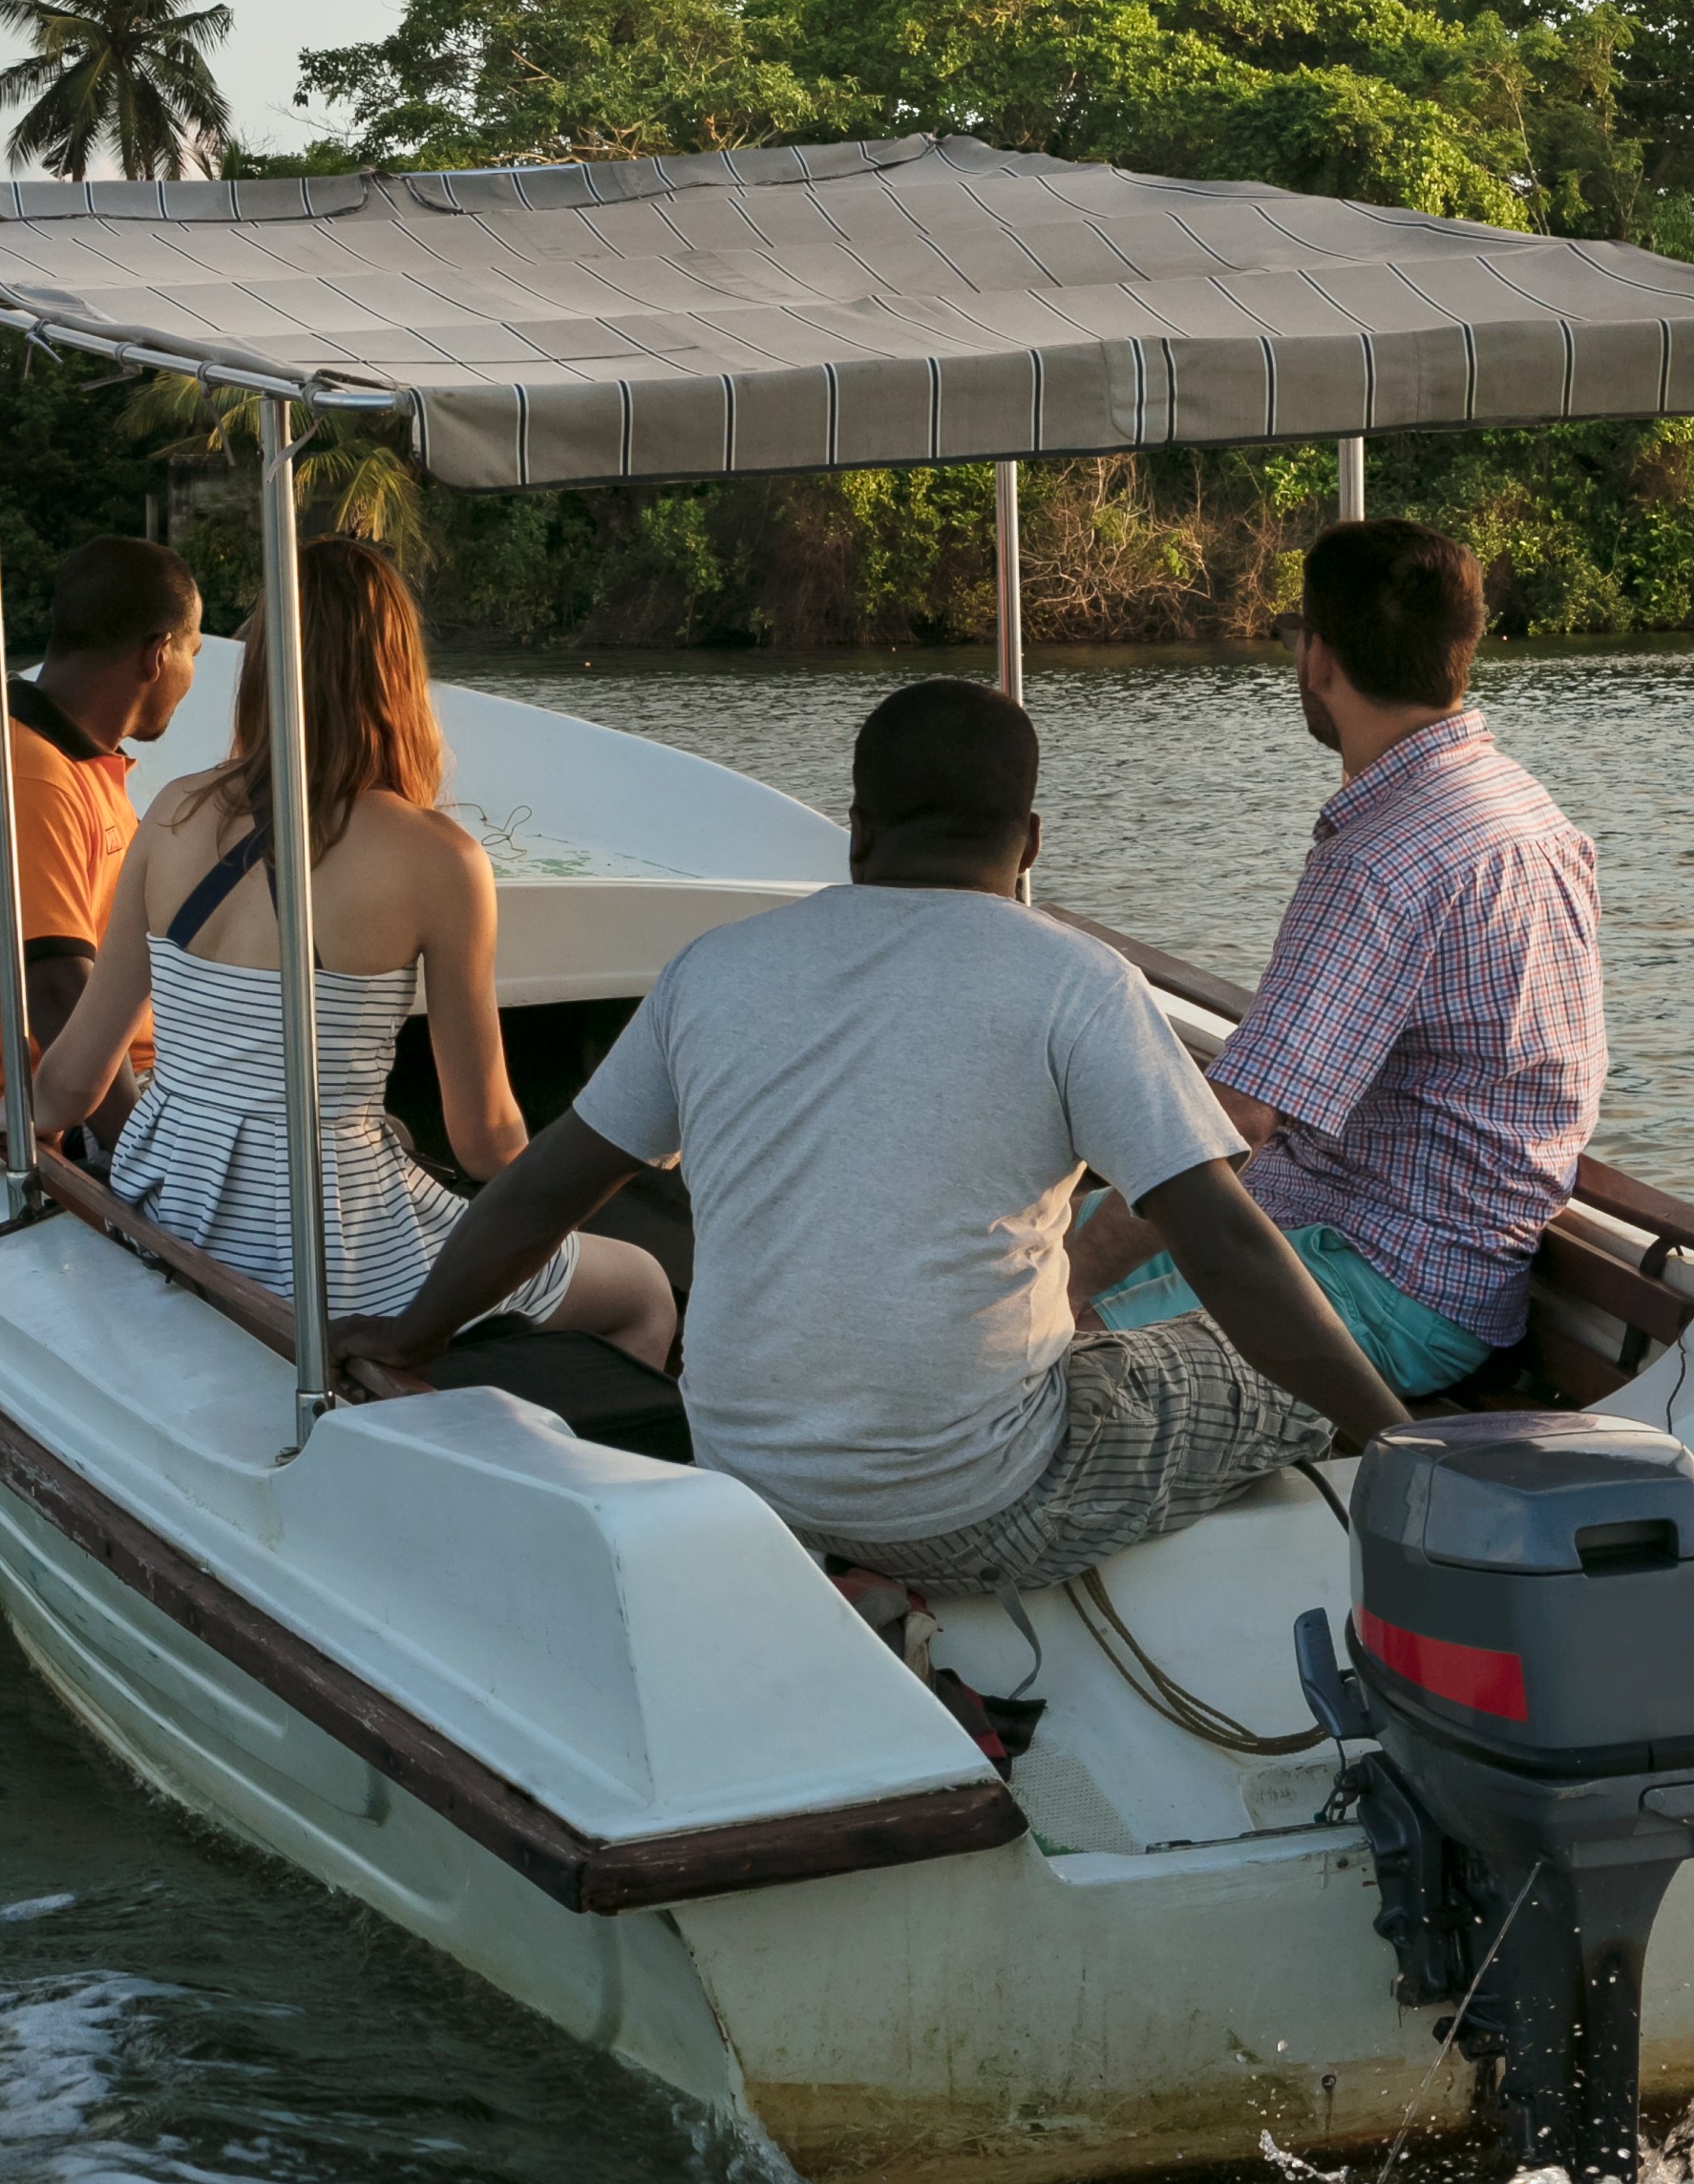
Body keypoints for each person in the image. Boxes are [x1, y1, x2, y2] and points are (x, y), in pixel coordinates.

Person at [333, 678, 1405, 1593]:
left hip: (750, 1487)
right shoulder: (1076, 983)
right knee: (1249, 1373)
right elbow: (1226, 1245)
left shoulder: (711, 974)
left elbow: (538, 1193)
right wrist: (1404, 1439)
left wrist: (413, 1334)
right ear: (1029, 845)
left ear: (855, 831)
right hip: (975, 1512)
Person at [0, 541, 680, 1369]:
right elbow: (484, 1140)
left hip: (170, 1204)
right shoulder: (438, 859)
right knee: (642, 1288)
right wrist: (616, 1164)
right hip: (332, 1250)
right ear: (395, 673)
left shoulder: (170, 813)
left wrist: (4, 1115)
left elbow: (70, 1081)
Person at [1069, 518, 1602, 1398]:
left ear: (1319, 658)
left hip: (1386, 1277)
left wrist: (1077, 1278)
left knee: (1033, 1340)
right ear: (1458, 652)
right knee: (1004, 1257)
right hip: (1436, 1252)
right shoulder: (1524, 805)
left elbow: (1235, 1124)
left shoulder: (1380, 860)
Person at [0, 536, 204, 1106]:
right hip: (62, 1103)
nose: (190, 675)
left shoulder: (74, 761)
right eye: (193, 653)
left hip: (141, 1073)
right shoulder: (29, 778)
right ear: (158, 653)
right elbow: (55, 990)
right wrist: (141, 1167)